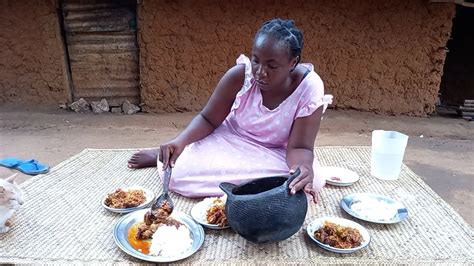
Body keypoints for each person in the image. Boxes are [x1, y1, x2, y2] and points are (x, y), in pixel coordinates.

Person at [128, 18, 332, 199]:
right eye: (256, 60)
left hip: (278, 152)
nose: (260, 72)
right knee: (178, 174)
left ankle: (201, 163)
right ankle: (168, 154)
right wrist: (180, 140)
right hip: (232, 140)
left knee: (311, 181)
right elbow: (208, 119)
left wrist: (302, 168)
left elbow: (300, 148)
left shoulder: (309, 88)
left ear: (292, 63)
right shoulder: (240, 76)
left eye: (272, 66)